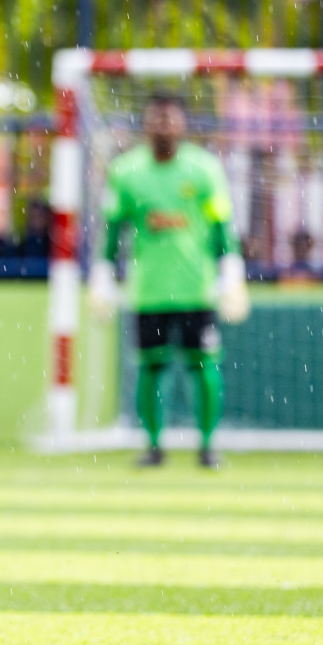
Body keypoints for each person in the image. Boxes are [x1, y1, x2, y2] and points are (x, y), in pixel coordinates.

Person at [89, 92, 250, 469]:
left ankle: (208, 446)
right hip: (149, 292)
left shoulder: (204, 169)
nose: (163, 125)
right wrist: (102, 278)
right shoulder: (126, 172)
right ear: (146, 125)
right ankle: (154, 446)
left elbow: (222, 227)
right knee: (151, 368)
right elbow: (112, 232)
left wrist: (232, 275)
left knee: (205, 366)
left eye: (170, 118)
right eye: (156, 118)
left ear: (182, 124)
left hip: (197, 289)